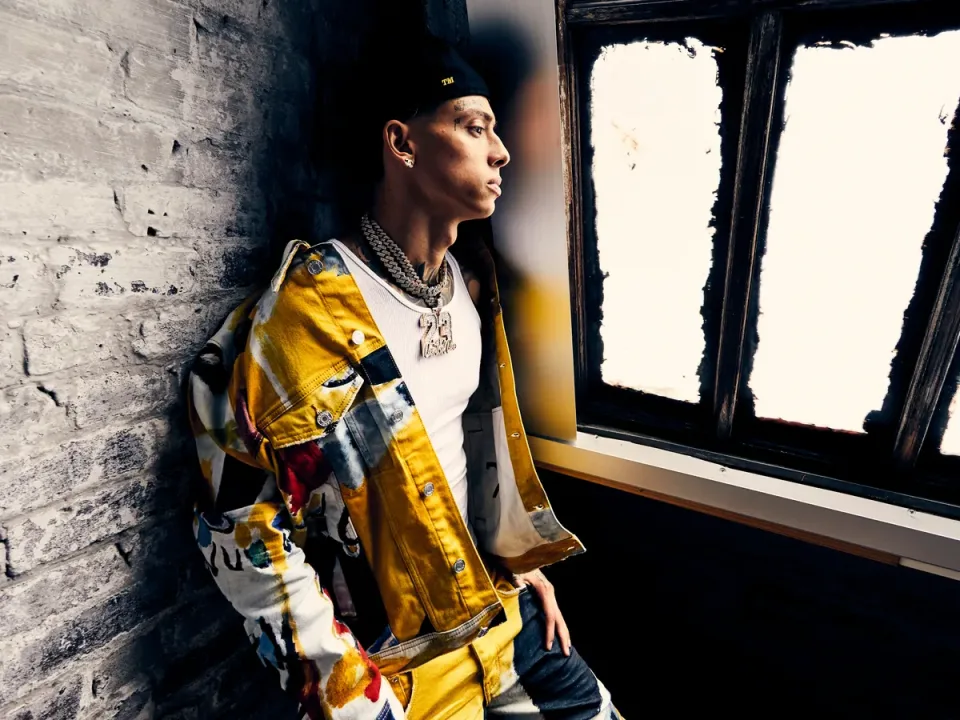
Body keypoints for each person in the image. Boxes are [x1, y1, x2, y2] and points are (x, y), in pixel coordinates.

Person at [187, 33, 622, 720]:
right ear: (402, 143)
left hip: (503, 615)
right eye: (474, 127)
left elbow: (462, 452)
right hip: (403, 669)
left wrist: (516, 558)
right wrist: (348, 696)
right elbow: (241, 528)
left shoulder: (473, 284)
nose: (501, 152)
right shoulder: (308, 312)